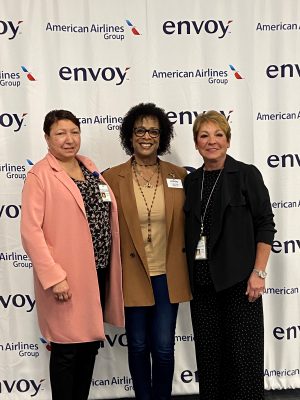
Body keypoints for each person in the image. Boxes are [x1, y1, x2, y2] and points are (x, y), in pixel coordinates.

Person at [20, 109, 124, 400]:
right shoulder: (40, 175)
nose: (69, 139)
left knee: (89, 345)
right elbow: (31, 232)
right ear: (47, 138)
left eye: (74, 132)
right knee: (67, 350)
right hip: (65, 278)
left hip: (97, 271)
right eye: (60, 133)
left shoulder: (88, 166)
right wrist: (54, 277)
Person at [184, 110, 276, 400]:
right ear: (196, 143)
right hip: (202, 286)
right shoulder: (191, 182)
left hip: (239, 284)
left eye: (218, 135)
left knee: (243, 360)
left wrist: (258, 273)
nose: (211, 141)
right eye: (204, 135)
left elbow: (265, 224)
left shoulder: (246, 174)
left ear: (228, 140)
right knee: (210, 362)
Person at [103, 102, 191, 400]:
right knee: (138, 345)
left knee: (164, 348)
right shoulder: (112, 178)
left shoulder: (179, 175)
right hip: (132, 274)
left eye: (154, 131)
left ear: (162, 136)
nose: (146, 136)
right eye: (140, 130)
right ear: (130, 135)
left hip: (168, 275)